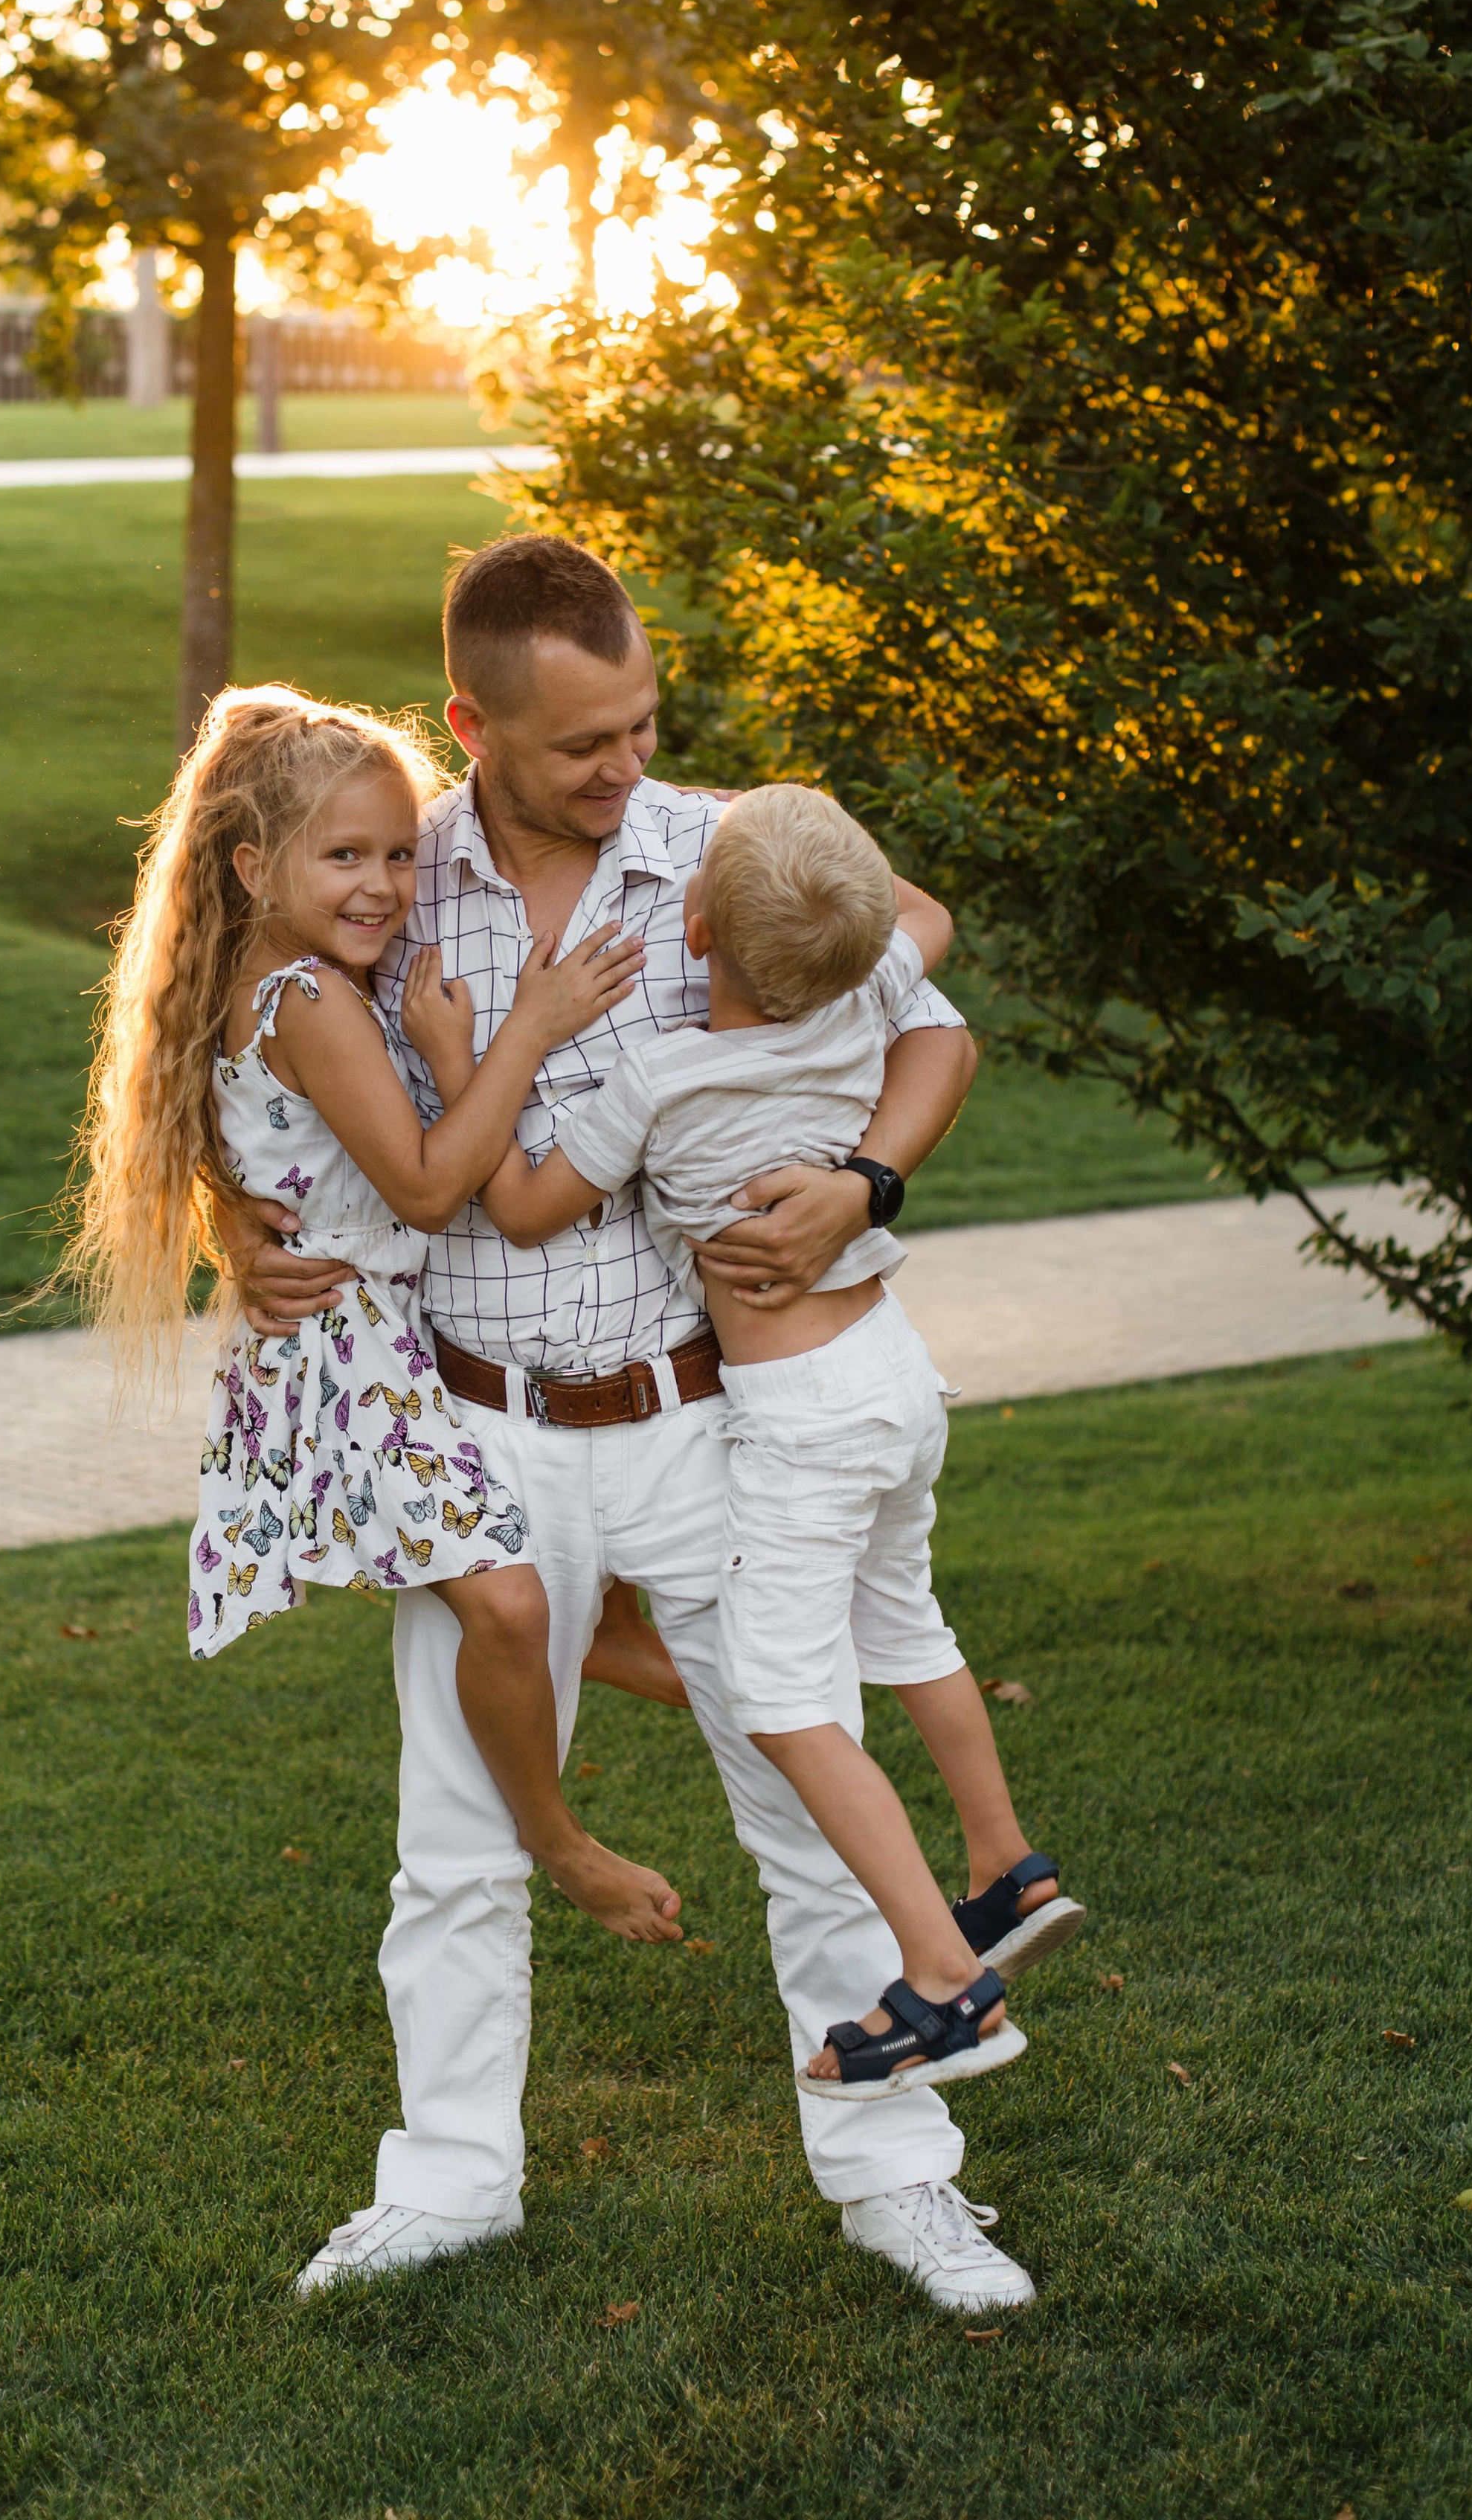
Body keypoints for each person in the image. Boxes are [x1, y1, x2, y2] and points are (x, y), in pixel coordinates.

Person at [224, 533, 1039, 2316]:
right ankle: (448, 2183)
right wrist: (240, 1237)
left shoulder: (726, 852)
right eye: (583, 742)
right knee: (454, 1833)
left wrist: (864, 1183)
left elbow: (934, 1022)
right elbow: (253, 1073)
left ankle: (895, 2171)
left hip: (706, 1420)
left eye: (641, 724)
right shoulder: (377, 875)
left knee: (796, 1789)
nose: (623, 768)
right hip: (478, 1427)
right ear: (471, 723)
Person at [461, 780, 1086, 2102]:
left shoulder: (665, 1071)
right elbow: (925, 914)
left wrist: (494, 1052)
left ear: (695, 927)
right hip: (893, 1371)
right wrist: (794, 836)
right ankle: (1004, 1864)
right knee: (904, 1619)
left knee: (788, 1701)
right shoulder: (867, 995)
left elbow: (519, 1205)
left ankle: (941, 1978)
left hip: (802, 1412)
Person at [62, 683, 684, 1940]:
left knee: (556, 1567)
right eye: (344, 856)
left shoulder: (263, 974)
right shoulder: (313, 1001)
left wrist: (234, 1218)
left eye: (401, 854)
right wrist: (534, 1026)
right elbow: (427, 1180)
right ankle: (558, 1841)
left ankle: (611, 1639)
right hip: (351, 1353)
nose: (385, 885)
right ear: (253, 867)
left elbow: (248, 1142)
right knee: (505, 1601)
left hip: (361, 1331)